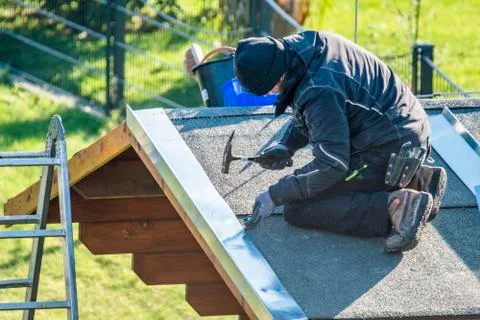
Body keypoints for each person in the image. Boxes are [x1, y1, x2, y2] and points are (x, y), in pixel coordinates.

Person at [233, 31, 447, 253]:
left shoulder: (319, 89)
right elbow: (326, 111)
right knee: (314, 187)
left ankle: (399, 205)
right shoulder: (309, 46)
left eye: (269, 89)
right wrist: (287, 145)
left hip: (390, 146)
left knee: (299, 206)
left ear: (278, 75)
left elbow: (331, 164)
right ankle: (418, 180)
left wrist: (276, 194)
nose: (270, 95)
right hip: (406, 130)